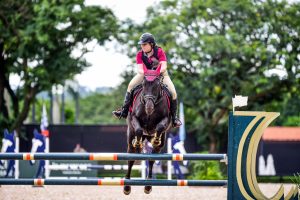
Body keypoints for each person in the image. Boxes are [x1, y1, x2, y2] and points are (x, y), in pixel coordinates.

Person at [112, 33, 181, 127]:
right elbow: (140, 69)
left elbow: (164, 67)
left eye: (144, 44)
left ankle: (174, 118)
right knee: (130, 86)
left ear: (151, 44)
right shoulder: (140, 54)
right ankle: (124, 111)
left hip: (161, 74)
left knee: (173, 92)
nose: (142, 46)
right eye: (141, 44)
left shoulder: (159, 51)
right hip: (144, 74)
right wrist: (148, 74)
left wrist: (155, 74)